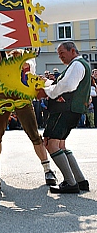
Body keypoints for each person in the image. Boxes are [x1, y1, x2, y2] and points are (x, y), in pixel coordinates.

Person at [0, 50, 57, 186]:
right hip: (3, 93)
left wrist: (18, 57)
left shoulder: (25, 53)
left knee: (33, 132)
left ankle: (47, 169)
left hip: (22, 93)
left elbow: (28, 68)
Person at [37, 41, 90, 193]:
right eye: (59, 54)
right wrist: (47, 83)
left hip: (64, 109)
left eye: (62, 53)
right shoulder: (80, 65)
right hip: (73, 110)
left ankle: (70, 182)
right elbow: (63, 83)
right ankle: (80, 180)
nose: (60, 57)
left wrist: (45, 92)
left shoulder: (77, 65)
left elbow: (67, 86)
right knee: (60, 145)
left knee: (50, 143)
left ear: (72, 50)